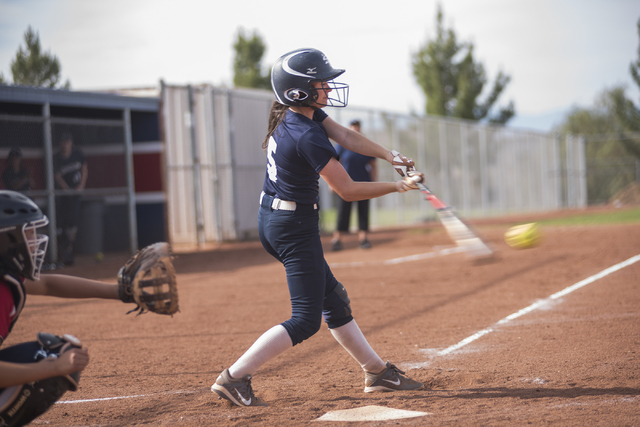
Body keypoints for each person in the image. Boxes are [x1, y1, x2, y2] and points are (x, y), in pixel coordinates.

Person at [211, 48, 425, 407]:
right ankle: (234, 377)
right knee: (305, 320)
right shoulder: (306, 133)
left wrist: (390, 156)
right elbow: (346, 189)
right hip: (293, 226)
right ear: (299, 91)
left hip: (276, 219)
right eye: (320, 82)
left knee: (334, 300)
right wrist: (398, 186)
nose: (328, 86)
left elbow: (346, 135)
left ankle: (376, 372)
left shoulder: (299, 115)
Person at [0, 190, 136, 426]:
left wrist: (122, 292)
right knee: (54, 359)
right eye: (29, 233)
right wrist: (50, 367)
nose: (36, 241)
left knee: (58, 351)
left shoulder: (6, 278)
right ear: (6, 239)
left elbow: (48, 283)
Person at [331, 119, 377, 251]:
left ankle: (364, 239)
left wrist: (374, 183)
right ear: (349, 128)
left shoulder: (365, 144)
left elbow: (373, 165)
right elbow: (335, 162)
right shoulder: (341, 144)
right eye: (353, 127)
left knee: (363, 212)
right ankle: (337, 239)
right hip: (343, 184)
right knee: (342, 212)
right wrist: (332, 183)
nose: (355, 129)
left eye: (357, 127)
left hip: (363, 183)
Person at [53, 133, 88, 266]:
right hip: (63, 196)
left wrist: (82, 185)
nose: (65, 144)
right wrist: (66, 190)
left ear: (71, 143)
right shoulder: (57, 158)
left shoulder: (77, 154)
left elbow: (84, 169)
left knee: (73, 222)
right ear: (60, 143)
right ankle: (62, 250)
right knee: (63, 222)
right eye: (63, 142)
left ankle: (69, 248)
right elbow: (57, 176)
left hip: (76, 193)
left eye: (67, 142)